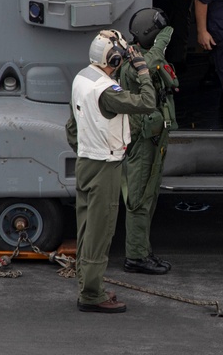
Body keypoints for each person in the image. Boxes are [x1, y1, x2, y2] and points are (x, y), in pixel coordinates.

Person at [66, 29, 156, 313]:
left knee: (85, 227)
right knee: (100, 230)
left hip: (86, 161)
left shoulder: (83, 78)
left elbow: (72, 128)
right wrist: (142, 72)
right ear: (114, 58)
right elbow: (147, 103)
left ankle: (86, 281)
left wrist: (87, 148)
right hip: (105, 165)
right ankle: (91, 294)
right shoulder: (106, 91)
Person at [117, 8, 179, 275]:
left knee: (150, 195)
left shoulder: (141, 55)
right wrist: (163, 40)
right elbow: (150, 63)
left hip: (153, 137)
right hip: (142, 141)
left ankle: (142, 250)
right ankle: (136, 257)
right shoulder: (133, 62)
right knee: (140, 199)